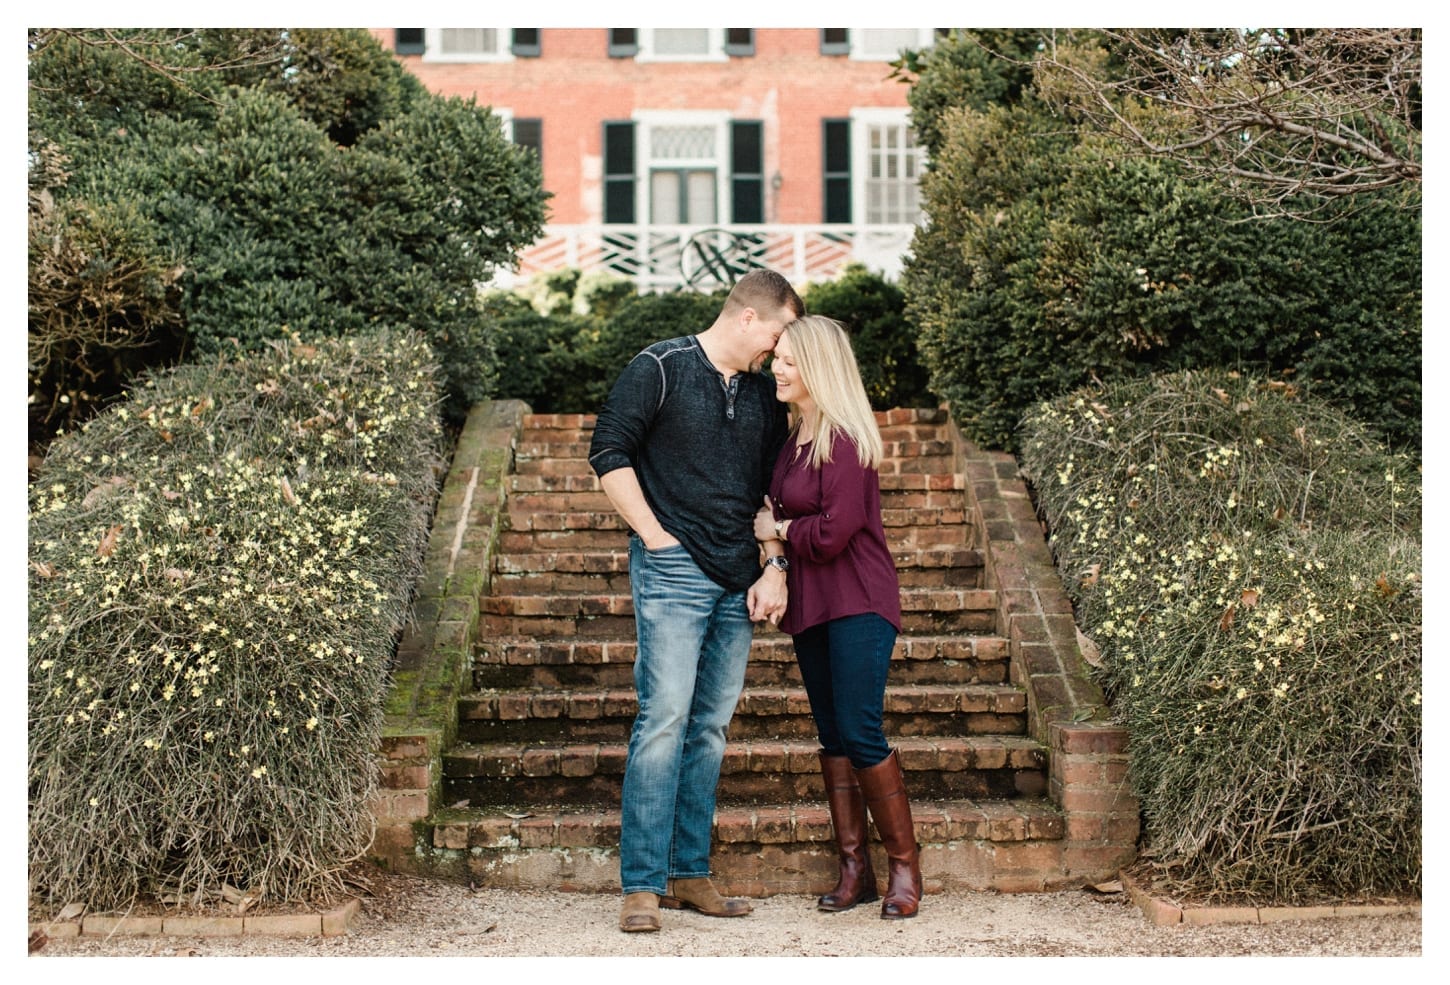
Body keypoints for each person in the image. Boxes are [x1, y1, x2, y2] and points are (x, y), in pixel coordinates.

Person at [588, 268, 805, 933]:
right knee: (664, 718)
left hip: (738, 578)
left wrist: (774, 564)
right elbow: (608, 451)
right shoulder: (660, 366)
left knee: (709, 726)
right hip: (673, 572)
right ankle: (642, 885)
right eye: (776, 334)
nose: (778, 349)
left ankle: (689, 873)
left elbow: (771, 496)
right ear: (748, 318)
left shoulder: (765, 398)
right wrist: (656, 537)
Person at [752, 314, 921, 919]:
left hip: (860, 600)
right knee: (832, 736)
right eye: (778, 357)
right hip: (814, 605)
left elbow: (830, 533)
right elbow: (768, 513)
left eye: (791, 361)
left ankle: (905, 868)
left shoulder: (845, 438)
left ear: (820, 368)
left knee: (859, 729)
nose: (778, 367)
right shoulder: (794, 439)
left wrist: (782, 530)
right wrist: (776, 541)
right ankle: (856, 870)